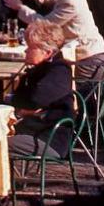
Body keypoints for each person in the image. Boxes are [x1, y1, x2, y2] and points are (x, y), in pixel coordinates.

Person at [4, 0, 104, 81]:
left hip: (89, 61)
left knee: (53, 82)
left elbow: (45, 25)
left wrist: (20, 7)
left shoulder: (71, 2)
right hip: (94, 58)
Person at [8, 20, 74, 159]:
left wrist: (26, 109)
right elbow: (18, 99)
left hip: (49, 140)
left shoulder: (60, 70)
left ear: (47, 52)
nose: (26, 50)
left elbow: (35, 100)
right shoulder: (37, 71)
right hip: (31, 132)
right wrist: (25, 110)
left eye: (31, 47)